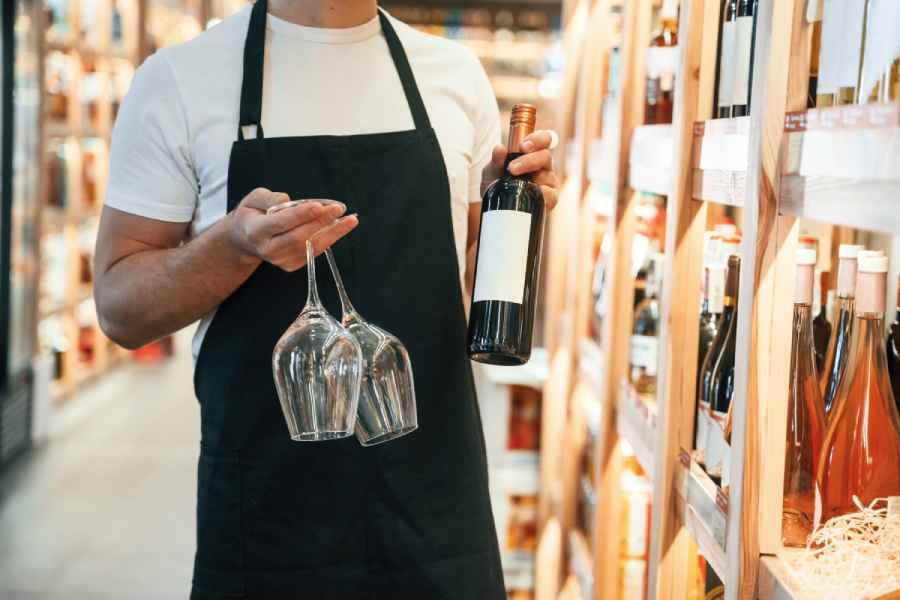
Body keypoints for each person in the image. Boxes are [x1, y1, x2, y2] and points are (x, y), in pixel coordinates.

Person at [93, 0, 559, 597]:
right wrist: (234, 246)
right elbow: (119, 307)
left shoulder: (454, 75)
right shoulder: (180, 80)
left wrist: (511, 209)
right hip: (267, 524)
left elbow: (468, 284)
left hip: (436, 517)